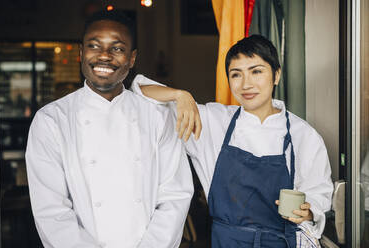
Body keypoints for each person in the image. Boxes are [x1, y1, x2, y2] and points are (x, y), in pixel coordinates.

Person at [131, 35, 334, 247]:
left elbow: (319, 193)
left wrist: (308, 211)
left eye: (256, 71)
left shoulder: (304, 135)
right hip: (226, 241)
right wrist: (180, 95)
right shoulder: (212, 121)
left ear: (276, 75)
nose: (246, 84)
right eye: (236, 74)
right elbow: (141, 92)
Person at [25, 10, 193, 248]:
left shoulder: (158, 117)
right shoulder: (51, 120)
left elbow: (175, 196)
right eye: (94, 46)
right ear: (81, 53)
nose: (104, 56)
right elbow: (51, 211)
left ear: (132, 58)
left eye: (117, 48)